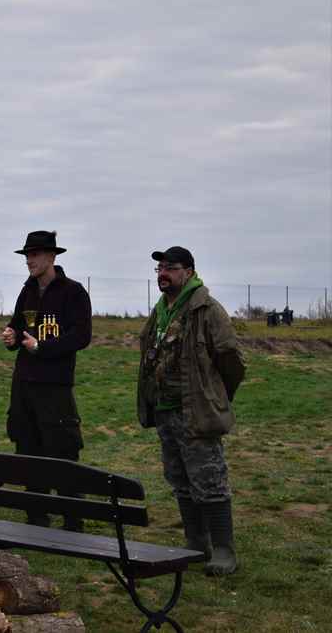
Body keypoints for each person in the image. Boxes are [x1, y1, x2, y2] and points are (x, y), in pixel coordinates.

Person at [137, 246, 245, 576]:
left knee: (209, 479)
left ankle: (224, 549)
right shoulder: (160, 310)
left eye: (170, 268)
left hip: (195, 412)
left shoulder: (207, 309)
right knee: (179, 479)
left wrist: (214, 397)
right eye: (159, 269)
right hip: (165, 411)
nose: (163, 274)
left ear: (189, 272)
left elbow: (231, 360)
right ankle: (197, 542)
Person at [1, 231, 91, 530]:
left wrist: (43, 348)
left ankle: (72, 518)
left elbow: (82, 336)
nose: (29, 260)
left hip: (54, 386)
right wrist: (11, 337)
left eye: (35, 254)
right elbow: (17, 326)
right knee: (28, 449)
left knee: (62, 451)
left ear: (52, 256)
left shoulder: (73, 292)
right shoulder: (27, 290)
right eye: (27, 255)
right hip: (24, 385)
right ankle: (36, 517)